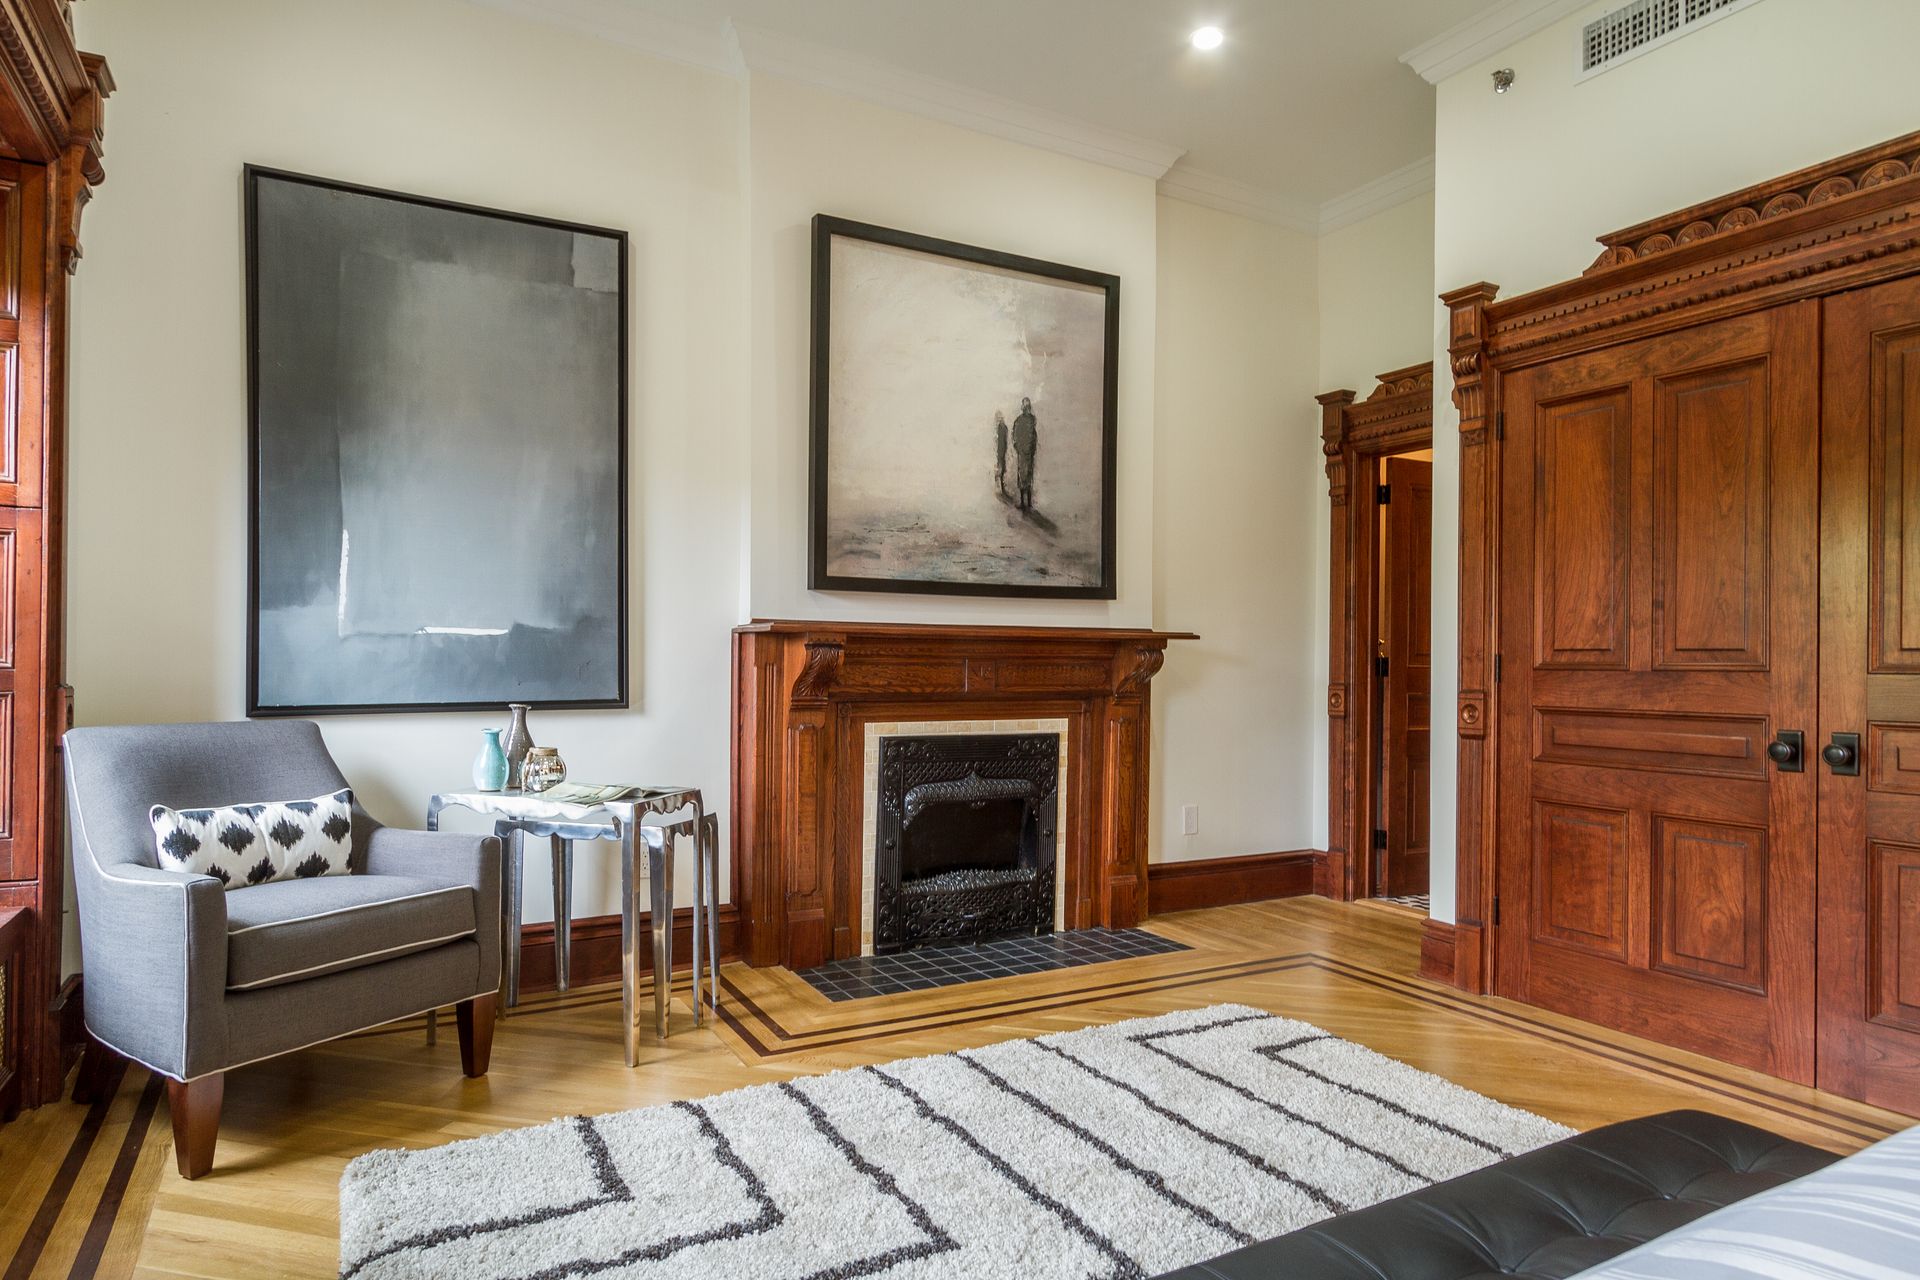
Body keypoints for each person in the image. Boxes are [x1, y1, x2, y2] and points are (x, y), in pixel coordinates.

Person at [1011, 397, 1038, 511]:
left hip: (1026, 453)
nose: (1026, 409)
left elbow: (1033, 436)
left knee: (1026, 476)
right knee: (1025, 476)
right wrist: (1019, 448)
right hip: (1024, 453)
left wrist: (1021, 448)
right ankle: (1025, 503)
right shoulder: (1023, 420)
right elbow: (1015, 437)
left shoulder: (1027, 420)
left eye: (1027, 407)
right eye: (1026, 407)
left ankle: (1027, 503)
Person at [993, 410, 1008, 495]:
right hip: (999, 451)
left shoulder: (1003, 427)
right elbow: (996, 441)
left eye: (1000, 418)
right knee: (999, 469)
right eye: (998, 418)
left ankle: (1001, 486)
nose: (1000, 419)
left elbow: (1004, 440)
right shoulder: (999, 428)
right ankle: (1000, 486)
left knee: (1001, 469)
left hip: (1002, 451)